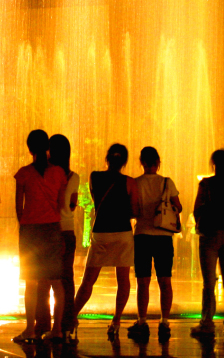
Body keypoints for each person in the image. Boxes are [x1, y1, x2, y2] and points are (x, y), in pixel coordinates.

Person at [73, 143, 140, 340]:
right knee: (123, 279)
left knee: (88, 280)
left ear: (107, 159)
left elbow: (96, 201)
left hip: (101, 232)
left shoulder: (94, 177)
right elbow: (135, 211)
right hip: (122, 234)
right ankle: (116, 320)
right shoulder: (130, 182)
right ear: (124, 162)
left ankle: (71, 317)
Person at [13, 129, 67, 344]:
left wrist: (26, 223)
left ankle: (30, 329)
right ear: (47, 149)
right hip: (53, 229)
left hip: (31, 231)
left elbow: (19, 207)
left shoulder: (23, 173)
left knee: (31, 283)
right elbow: (61, 205)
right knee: (56, 282)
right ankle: (57, 330)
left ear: (29, 149)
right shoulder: (59, 173)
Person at [128, 146, 182, 342]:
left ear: (141, 162)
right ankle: (164, 322)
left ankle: (142, 321)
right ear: (158, 162)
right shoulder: (167, 183)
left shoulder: (135, 183)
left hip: (142, 235)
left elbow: (132, 210)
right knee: (164, 281)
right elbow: (179, 206)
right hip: (163, 236)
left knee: (143, 281)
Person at [190, 149, 224, 337]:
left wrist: (201, 224)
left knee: (209, 281)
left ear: (213, 164)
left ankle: (207, 323)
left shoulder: (205, 184)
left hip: (210, 234)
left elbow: (196, 209)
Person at [34, 133, 78, 343]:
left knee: (43, 279)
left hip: (48, 230)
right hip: (67, 232)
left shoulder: (48, 174)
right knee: (65, 281)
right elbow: (71, 205)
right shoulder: (73, 176)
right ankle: (67, 324)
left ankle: (42, 323)